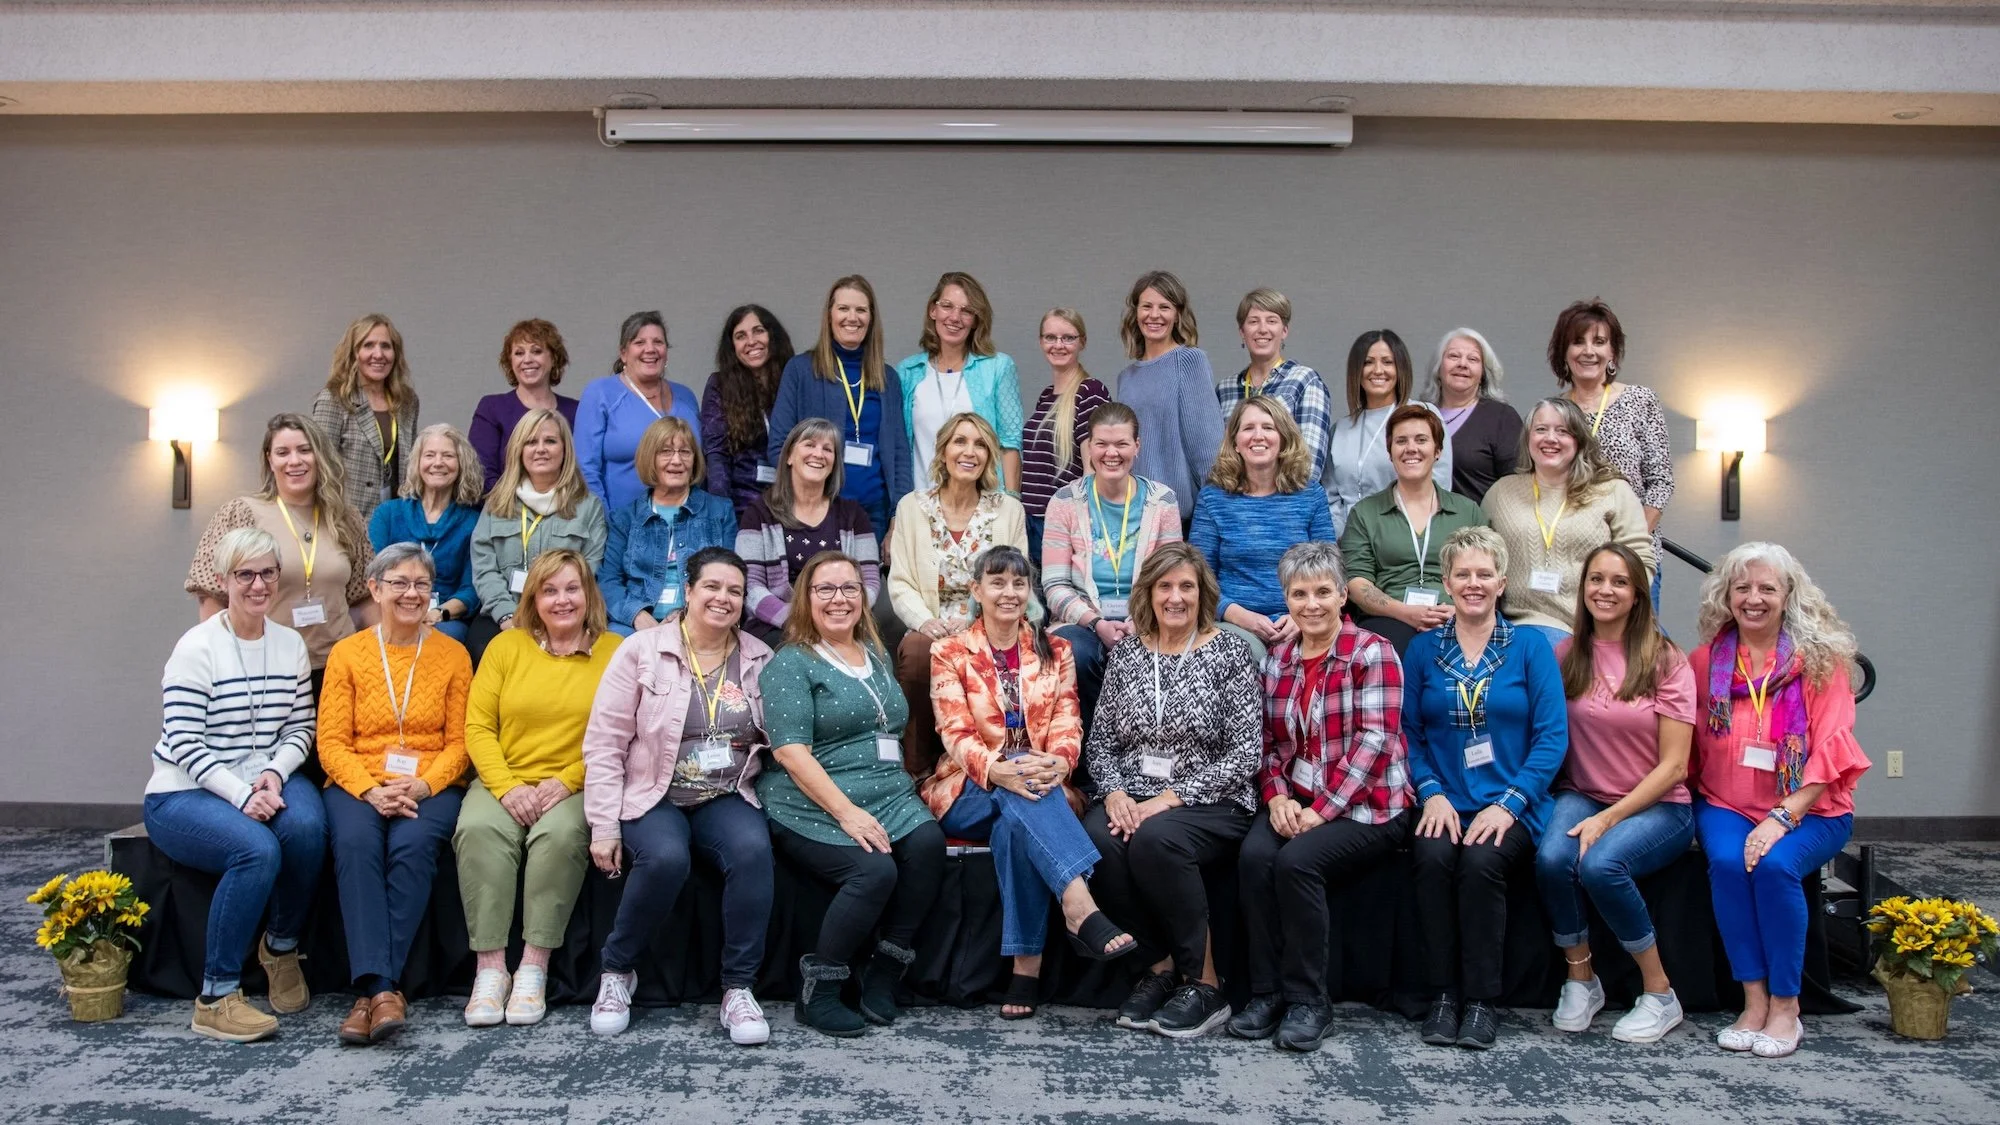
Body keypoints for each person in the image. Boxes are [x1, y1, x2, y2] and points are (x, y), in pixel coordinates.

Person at [926, 546, 1136, 1019]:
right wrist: (998, 768)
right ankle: (1078, 903)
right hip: (969, 786)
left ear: (1030, 592)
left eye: (1018, 583)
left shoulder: (1056, 649)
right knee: (1018, 790)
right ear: (976, 590)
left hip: (1040, 783)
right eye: (997, 582)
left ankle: (1026, 969)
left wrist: (1059, 765)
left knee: (1014, 827)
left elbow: (1068, 720)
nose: (1009, 592)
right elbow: (953, 729)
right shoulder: (950, 651)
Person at [583, 547, 777, 1044]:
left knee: (753, 851)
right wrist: (604, 826)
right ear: (687, 591)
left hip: (727, 792)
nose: (723, 598)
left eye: (735, 591)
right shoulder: (642, 650)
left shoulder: (759, 657)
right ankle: (617, 971)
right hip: (655, 793)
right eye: (712, 586)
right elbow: (605, 742)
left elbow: (779, 742)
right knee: (666, 858)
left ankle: (738, 988)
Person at [1229, 542, 1411, 1052]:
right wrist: (1277, 799)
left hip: (1371, 805)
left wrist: (1319, 812)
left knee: (1296, 864)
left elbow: (1375, 744)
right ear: (1286, 599)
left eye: (1322, 592)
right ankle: (1265, 993)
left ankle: (1310, 1000)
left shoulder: (1372, 652)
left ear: (1341, 596)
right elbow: (1265, 743)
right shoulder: (1278, 659)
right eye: (1299, 594)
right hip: (1300, 796)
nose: (1311, 604)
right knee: (1255, 856)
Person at [1690, 542, 1869, 1059]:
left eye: (1767, 587)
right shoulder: (1706, 662)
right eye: (1742, 587)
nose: (1754, 598)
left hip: (1812, 809)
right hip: (1725, 802)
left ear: (1789, 594)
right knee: (1726, 862)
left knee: (1772, 866)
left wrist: (1780, 818)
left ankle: (1787, 1005)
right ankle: (1753, 1000)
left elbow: (1834, 750)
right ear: (1726, 595)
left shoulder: (1821, 662)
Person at [756, 551, 945, 1037]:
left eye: (849, 589)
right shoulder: (790, 662)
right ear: (806, 599)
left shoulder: (876, 653)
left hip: (885, 790)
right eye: (826, 589)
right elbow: (792, 754)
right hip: (813, 798)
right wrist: (848, 815)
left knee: (927, 846)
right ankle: (819, 989)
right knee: (873, 871)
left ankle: (884, 970)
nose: (839, 599)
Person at [147, 527, 324, 1043]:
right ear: (224, 581)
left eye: (267, 573)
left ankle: (282, 946)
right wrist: (242, 794)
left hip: (263, 777)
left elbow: (299, 728)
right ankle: (217, 996)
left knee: (310, 826)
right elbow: (182, 743)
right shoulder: (196, 648)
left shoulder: (289, 644)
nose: (257, 584)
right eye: (245, 574)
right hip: (183, 791)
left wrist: (274, 772)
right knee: (256, 850)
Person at [1084, 543, 1259, 1039]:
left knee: (1157, 838)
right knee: (1100, 838)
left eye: (1186, 586)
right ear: (1149, 593)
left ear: (1202, 592)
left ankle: (1205, 984)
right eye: (1165, 586)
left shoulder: (1229, 650)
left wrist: (1170, 797)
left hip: (1212, 798)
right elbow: (1100, 743)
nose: (1176, 597)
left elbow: (1245, 754)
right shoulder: (1129, 653)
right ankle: (1158, 968)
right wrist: (1115, 793)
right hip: (1133, 793)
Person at [1402, 526, 1567, 1050]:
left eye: (1484, 574)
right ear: (1446, 583)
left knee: (1479, 865)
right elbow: (1408, 732)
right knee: (1429, 860)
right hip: (1443, 799)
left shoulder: (1530, 648)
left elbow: (1551, 737)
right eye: (1463, 575)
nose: (1473, 583)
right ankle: (1444, 994)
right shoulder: (1424, 650)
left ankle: (1480, 1000)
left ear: (1502, 582)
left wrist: (1510, 805)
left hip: (1512, 802)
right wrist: (1430, 791)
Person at [1533, 542, 1695, 1044]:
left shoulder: (1664, 658)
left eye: (1619, 582)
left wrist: (1610, 818)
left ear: (1638, 594)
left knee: (1602, 865)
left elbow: (1674, 767)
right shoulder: (1565, 654)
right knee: (1552, 858)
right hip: (1584, 791)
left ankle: (1660, 991)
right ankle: (1582, 979)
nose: (1606, 590)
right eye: (1596, 580)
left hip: (1659, 805)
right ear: (1583, 590)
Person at [454, 549, 621, 1028]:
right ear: (533, 598)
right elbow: (479, 726)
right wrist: (506, 788)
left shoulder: (614, 651)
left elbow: (619, 733)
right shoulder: (506, 648)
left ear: (589, 595)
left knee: (560, 837)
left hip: (576, 782)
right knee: (478, 830)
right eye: (549, 590)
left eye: (572, 589)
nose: (562, 600)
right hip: (504, 776)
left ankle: (532, 966)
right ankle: (490, 970)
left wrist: (566, 780)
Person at [316, 542, 473, 1046]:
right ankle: (383, 991)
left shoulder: (453, 653)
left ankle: (371, 994)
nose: (411, 594)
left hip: (430, 782)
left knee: (411, 846)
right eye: (400, 583)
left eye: (421, 584)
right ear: (375, 589)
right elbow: (331, 742)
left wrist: (424, 784)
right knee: (358, 845)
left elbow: (461, 743)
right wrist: (369, 790)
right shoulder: (347, 653)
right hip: (357, 781)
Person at [186, 413, 374, 690]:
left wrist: (379, 658)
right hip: (265, 667)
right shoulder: (242, 513)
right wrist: (228, 658)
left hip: (337, 668)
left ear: (319, 456)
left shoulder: (347, 519)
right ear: (269, 459)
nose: (294, 461)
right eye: (283, 452)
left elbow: (364, 598)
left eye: (304, 450)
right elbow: (210, 594)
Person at [887, 412, 1029, 777]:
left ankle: (986, 765)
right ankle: (915, 770)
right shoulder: (912, 507)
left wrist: (972, 624)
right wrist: (926, 622)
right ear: (943, 451)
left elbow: (1016, 580)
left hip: (991, 624)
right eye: (960, 441)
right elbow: (901, 582)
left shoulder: (1008, 510)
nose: (970, 452)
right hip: (930, 624)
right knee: (919, 652)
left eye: (981, 444)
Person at [1042, 403, 1182, 721]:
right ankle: (1088, 761)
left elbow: (1171, 580)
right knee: (1076, 652)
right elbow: (1054, 584)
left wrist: (1140, 622)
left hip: (1147, 621)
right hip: (1082, 623)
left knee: (1154, 653)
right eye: (1102, 444)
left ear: (1137, 446)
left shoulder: (1162, 502)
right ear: (1089, 447)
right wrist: (1096, 623)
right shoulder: (1065, 501)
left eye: (1121, 444)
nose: (1111, 453)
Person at [1480, 398, 1654, 648]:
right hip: (1520, 626)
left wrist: (1613, 620)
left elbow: (1641, 564)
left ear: (1579, 440)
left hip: (1595, 627)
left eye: (1562, 431)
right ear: (1528, 438)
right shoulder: (1500, 494)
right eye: (1541, 429)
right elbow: (1481, 562)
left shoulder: (1613, 491)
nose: (1550, 438)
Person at [1187, 396, 1336, 665]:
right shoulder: (1213, 498)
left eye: (1268, 427)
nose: (1258, 436)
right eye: (1248, 428)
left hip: (1305, 619)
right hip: (1236, 625)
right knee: (1242, 655)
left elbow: (1330, 570)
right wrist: (1237, 614)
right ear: (1235, 442)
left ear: (1283, 438)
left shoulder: (1311, 495)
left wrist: (1301, 616)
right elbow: (1198, 577)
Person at [1549, 299, 1674, 605]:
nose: (1588, 350)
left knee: (1636, 649)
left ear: (1612, 352)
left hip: (1632, 560)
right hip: (1573, 562)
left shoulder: (1640, 400)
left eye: (1599, 341)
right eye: (1578, 342)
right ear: (1565, 353)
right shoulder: (1554, 411)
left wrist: (1626, 545)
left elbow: (1660, 482)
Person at [768, 275, 912, 533]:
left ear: (871, 318)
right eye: (843, 308)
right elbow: (779, 446)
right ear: (829, 315)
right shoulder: (801, 371)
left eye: (861, 310)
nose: (852, 317)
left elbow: (900, 454)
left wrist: (897, 518)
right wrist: (806, 501)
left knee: (865, 576)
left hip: (875, 512)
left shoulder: (888, 378)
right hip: (817, 510)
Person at [1338, 405, 1487, 653]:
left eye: (1421, 440)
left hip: (1455, 614)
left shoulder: (1467, 511)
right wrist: (1406, 612)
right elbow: (1356, 582)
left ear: (1437, 450)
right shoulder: (1365, 513)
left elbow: (1486, 573)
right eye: (1401, 441)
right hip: (1388, 618)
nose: (1411, 448)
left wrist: (1463, 610)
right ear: (1390, 451)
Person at [468, 409, 608, 655]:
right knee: (481, 648)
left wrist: (554, 617)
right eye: (531, 442)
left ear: (565, 450)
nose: (540, 449)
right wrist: (507, 615)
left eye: (550, 441)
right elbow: (484, 569)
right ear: (519, 451)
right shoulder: (498, 504)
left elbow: (589, 571)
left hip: (565, 615)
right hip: (504, 612)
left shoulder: (588, 507)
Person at [738, 418, 882, 647]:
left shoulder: (854, 516)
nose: (819, 454)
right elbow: (750, 585)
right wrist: (797, 621)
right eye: (809, 445)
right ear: (788, 457)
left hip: (840, 624)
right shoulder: (758, 514)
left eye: (828, 449)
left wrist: (838, 618)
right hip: (777, 627)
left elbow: (871, 582)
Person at [599, 416, 739, 637]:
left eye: (685, 452)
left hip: (701, 617)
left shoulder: (719, 511)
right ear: (649, 458)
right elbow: (608, 581)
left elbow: (731, 576)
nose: (676, 461)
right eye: (665, 452)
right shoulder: (625, 518)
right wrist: (636, 615)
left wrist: (687, 614)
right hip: (634, 624)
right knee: (614, 646)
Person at [896, 271, 1025, 491]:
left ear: (976, 320)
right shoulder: (907, 372)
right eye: (947, 306)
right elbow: (899, 449)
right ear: (933, 310)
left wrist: (1011, 503)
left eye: (966, 311)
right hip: (922, 505)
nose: (955, 317)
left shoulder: (998, 368)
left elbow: (1010, 444)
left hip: (984, 509)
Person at [1114, 270, 1221, 526]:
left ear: (1177, 314)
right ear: (1135, 312)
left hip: (1179, 519)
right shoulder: (1126, 377)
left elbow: (1207, 447)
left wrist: (1217, 512)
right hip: (1134, 517)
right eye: (1147, 306)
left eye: (1165, 307)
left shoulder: (1189, 361)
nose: (1154, 315)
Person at [1324, 329, 1454, 535]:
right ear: (1356, 370)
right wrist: (1344, 537)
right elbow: (1331, 498)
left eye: (1387, 362)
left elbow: (1440, 484)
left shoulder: (1423, 415)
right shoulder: (1340, 430)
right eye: (1368, 362)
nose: (1378, 370)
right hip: (1352, 544)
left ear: (1400, 368)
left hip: (1405, 539)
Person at [576, 310, 703, 511]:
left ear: (666, 351)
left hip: (684, 523)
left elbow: (699, 465)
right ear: (623, 353)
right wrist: (606, 523)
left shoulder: (686, 396)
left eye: (658, 342)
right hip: (621, 527)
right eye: (639, 342)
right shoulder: (601, 393)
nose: (650, 349)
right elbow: (586, 468)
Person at [368, 424, 483, 643]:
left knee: (443, 637)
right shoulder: (388, 514)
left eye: (448, 456)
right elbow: (375, 574)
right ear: (417, 463)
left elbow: (470, 590)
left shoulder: (473, 522)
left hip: (443, 618)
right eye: (430, 455)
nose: (438, 463)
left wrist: (438, 613)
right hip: (392, 608)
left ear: (461, 465)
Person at [1018, 308, 1112, 561]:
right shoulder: (1047, 396)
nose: (1058, 345)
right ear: (1040, 342)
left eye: (1068, 338)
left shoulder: (1090, 391)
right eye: (1050, 337)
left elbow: (1094, 470)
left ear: (1082, 342)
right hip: (1032, 522)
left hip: (1062, 525)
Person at [1216, 288, 1333, 482]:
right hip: (1233, 504)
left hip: (1288, 505)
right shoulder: (1224, 390)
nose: (1262, 329)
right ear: (1242, 332)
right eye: (1253, 321)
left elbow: (1309, 468)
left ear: (1284, 330)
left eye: (1272, 320)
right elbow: (1219, 458)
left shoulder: (1305, 381)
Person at [311, 313, 420, 519]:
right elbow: (320, 466)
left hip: (395, 519)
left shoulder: (407, 402)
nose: (378, 354)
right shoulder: (334, 399)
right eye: (368, 345)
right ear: (353, 353)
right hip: (348, 518)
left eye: (386, 346)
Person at [700, 304, 796, 518]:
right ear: (732, 346)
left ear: (773, 335)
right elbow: (717, 456)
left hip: (792, 505)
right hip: (741, 507)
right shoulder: (720, 385)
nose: (751, 341)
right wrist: (722, 513)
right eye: (740, 336)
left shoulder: (793, 380)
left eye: (758, 331)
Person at [469, 319, 581, 496]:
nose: (527, 360)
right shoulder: (492, 408)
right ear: (510, 361)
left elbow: (581, 471)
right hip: (504, 513)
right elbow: (481, 473)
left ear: (553, 358)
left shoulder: (576, 411)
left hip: (564, 513)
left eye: (536, 351)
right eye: (519, 353)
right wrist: (525, 507)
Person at [1424, 328, 1521, 504]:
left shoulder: (1502, 418)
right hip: (1422, 528)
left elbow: (1518, 486)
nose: (1462, 364)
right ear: (1438, 367)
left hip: (1480, 528)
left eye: (1473, 359)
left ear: (1483, 373)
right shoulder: (1419, 414)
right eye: (1454, 356)